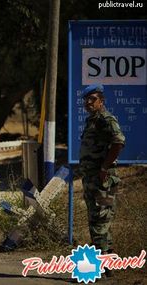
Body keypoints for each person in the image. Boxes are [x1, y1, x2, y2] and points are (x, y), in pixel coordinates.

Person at [79, 84, 125, 277]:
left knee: (99, 221)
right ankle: (109, 269)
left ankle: (97, 271)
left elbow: (118, 141)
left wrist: (105, 167)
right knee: (100, 222)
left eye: (93, 99)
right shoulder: (92, 121)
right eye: (86, 100)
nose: (88, 103)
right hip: (92, 180)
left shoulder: (106, 119)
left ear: (101, 101)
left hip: (103, 181)